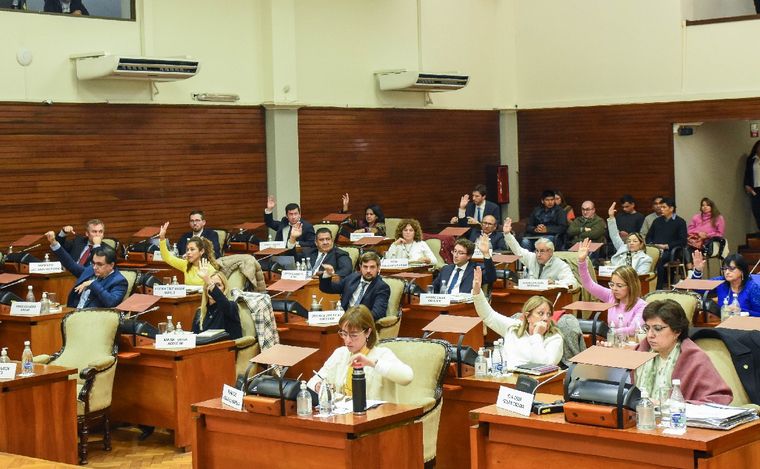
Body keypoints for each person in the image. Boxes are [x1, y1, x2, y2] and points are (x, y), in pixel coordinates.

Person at [635, 300, 732, 404]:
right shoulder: (641, 352)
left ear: (677, 331)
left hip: (678, 418)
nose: (650, 335)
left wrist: (671, 406)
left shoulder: (694, 359)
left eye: (657, 329)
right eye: (647, 328)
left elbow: (719, 398)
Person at [307, 305, 413, 399]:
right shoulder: (340, 354)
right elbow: (313, 381)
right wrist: (318, 386)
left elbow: (407, 377)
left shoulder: (382, 354)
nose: (347, 340)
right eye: (344, 333)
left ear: (368, 332)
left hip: (375, 417)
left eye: (353, 335)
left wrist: (372, 363)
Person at [471, 266, 563, 367]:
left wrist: (537, 335)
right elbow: (489, 316)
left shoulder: (555, 339)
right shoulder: (513, 328)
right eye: (541, 313)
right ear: (527, 316)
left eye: (549, 314)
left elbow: (544, 365)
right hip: (507, 377)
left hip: (531, 381)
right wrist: (477, 291)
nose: (546, 318)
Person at [578, 238, 646, 336]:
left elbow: (633, 329)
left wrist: (607, 332)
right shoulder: (611, 296)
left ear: (631, 285)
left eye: (619, 285)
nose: (614, 288)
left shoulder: (641, 305)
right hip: (612, 340)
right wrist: (582, 261)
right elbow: (588, 284)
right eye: (612, 284)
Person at [46, 231, 127, 308]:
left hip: (92, 318)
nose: (95, 267)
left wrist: (93, 283)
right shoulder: (90, 270)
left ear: (111, 265)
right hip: (73, 312)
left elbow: (111, 302)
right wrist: (54, 243)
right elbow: (70, 264)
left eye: (99, 264)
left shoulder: (119, 281)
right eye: (94, 263)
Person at [503, 217, 576, 288]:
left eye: (542, 251)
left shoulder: (560, 265)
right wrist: (507, 234)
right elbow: (517, 250)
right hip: (531, 294)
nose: (538, 254)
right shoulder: (532, 258)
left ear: (550, 252)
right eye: (537, 250)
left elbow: (572, 283)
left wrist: (555, 283)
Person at [320, 251, 390, 320]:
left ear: (378, 268)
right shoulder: (353, 278)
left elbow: (378, 313)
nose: (368, 271)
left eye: (372, 267)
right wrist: (327, 275)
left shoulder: (382, 287)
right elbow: (327, 288)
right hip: (343, 319)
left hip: (362, 324)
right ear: (360, 267)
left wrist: (354, 319)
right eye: (365, 267)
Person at [692, 252, 760, 317]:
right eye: (725, 269)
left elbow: (758, 314)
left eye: (732, 269)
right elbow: (697, 288)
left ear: (742, 270)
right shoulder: (720, 282)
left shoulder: (753, 288)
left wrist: (741, 311)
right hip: (722, 323)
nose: (727, 272)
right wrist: (698, 270)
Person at [193, 258, 242, 340]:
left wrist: (208, 281)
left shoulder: (231, 306)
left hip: (226, 349)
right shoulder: (200, 312)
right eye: (209, 285)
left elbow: (223, 303)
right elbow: (194, 339)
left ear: (225, 288)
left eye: (218, 285)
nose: (212, 287)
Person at [158, 221, 218, 285]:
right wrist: (162, 238)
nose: (188, 252)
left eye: (192, 249)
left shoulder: (209, 269)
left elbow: (215, 290)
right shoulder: (186, 264)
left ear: (201, 251)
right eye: (187, 249)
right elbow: (167, 257)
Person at [646, 197, 687, 290]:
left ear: (671, 208)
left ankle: (658, 288)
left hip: (671, 251)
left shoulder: (680, 222)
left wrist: (666, 246)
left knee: (659, 260)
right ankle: (646, 285)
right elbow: (648, 236)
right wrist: (651, 245)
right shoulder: (657, 221)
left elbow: (682, 240)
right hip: (655, 249)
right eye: (661, 207)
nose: (661, 209)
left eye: (664, 207)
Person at [432, 236, 497, 294]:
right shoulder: (446, 269)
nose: (455, 255)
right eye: (455, 251)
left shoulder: (475, 270)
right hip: (444, 304)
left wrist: (486, 254)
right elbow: (434, 289)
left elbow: (491, 277)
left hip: (464, 305)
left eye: (460, 253)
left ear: (469, 256)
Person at [607, 202, 653, 274]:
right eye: (629, 241)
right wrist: (611, 217)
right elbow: (614, 235)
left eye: (635, 241)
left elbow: (640, 277)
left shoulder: (645, 259)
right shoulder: (623, 248)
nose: (631, 243)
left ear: (641, 244)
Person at [744, 140, 760, 231]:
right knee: (757, 212)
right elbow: (747, 174)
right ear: (756, 148)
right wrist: (747, 185)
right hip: (756, 190)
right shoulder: (751, 160)